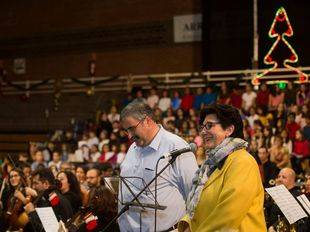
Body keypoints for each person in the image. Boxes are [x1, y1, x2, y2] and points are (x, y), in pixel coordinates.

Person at [178, 104, 266, 232]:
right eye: (202, 127)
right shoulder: (210, 165)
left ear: (229, 130)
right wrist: (187, 224)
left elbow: (228, 213)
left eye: (209, 125)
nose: (203, 131)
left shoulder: (243, 161)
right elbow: (199, 203)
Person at [118, 100, 198, 232]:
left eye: (132, 129)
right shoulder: (132, 148)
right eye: (126, 131)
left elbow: (195, 194)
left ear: (147, 121)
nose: (130, 136)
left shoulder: (176, 146)